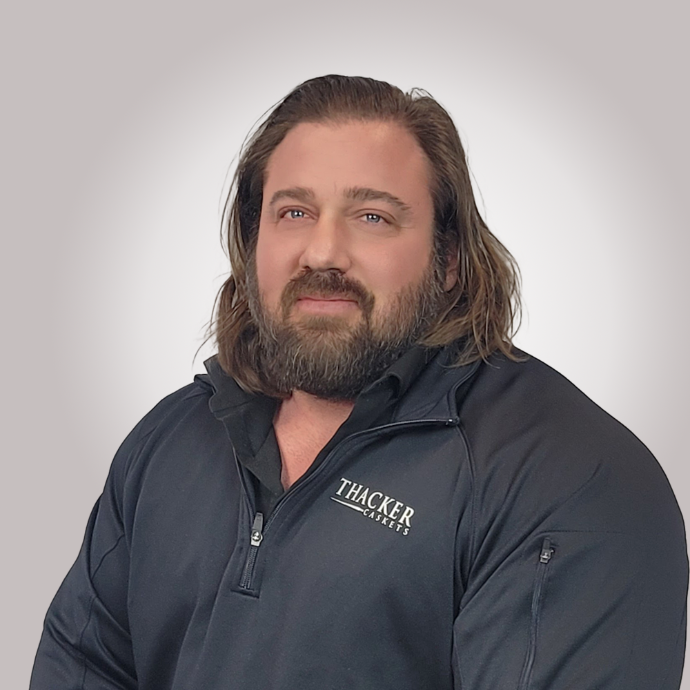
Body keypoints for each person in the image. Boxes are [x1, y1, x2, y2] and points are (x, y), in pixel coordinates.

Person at [30, 75, 687, 690]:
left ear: (448, 258)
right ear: (253, 242)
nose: (323, 253)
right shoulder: (169, 442)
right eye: (294, 213)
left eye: (372, 216)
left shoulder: (566, 476)